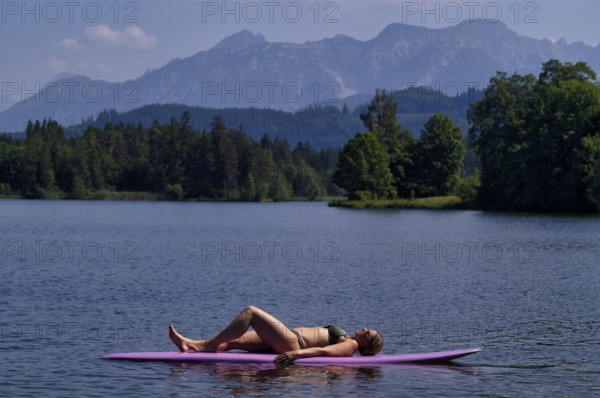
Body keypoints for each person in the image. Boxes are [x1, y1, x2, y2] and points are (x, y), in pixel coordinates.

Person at [169, 305, 383, 364]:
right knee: (230, 343)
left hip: (292, 345)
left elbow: (324, 351)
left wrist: (295, 355)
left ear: (367, 344)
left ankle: (201, 346)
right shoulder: (349, 338)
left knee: (251, 312)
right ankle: (191, 345)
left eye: (367, 333)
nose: (364, 329)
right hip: (287, 338)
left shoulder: (351, 346)